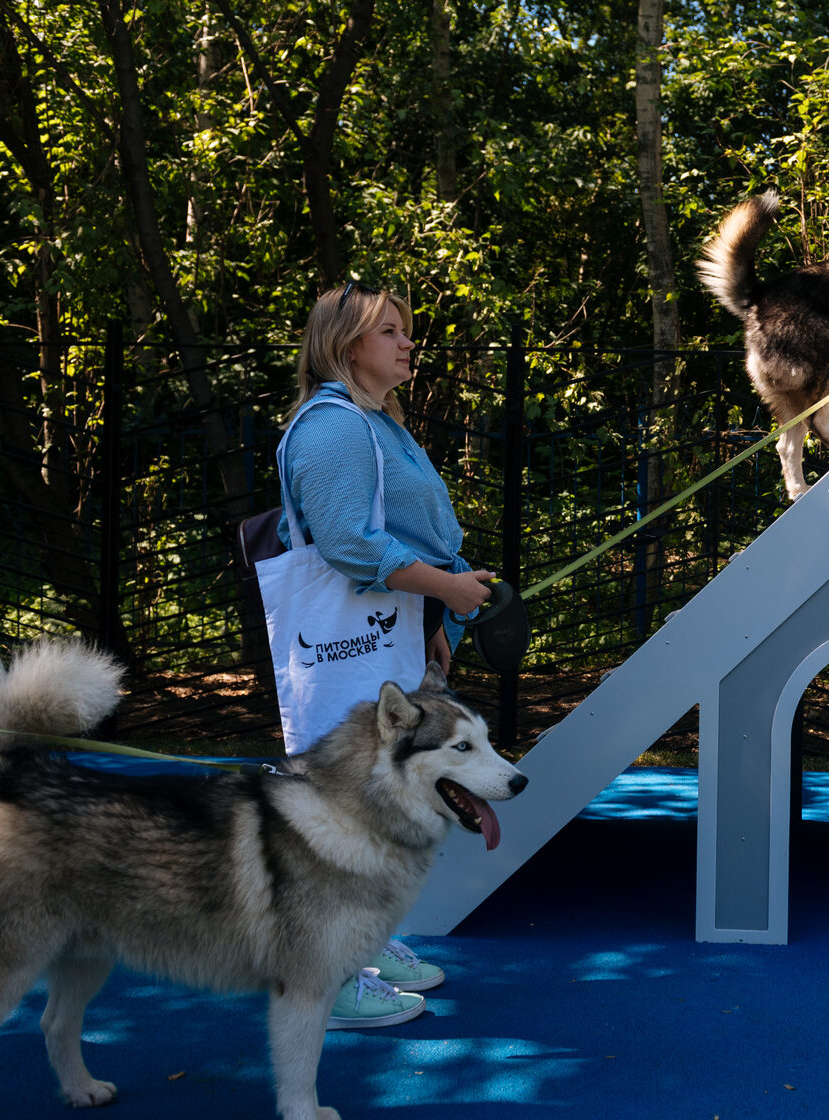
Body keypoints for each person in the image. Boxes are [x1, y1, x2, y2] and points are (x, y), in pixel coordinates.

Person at [277, 281, 496, 1028]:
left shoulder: (375, 422)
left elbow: (392, 541)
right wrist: (450, 588)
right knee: (336, 809)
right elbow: (348, 543)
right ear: (346, 346)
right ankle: (328, 978)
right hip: (350, 640)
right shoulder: (334, 428)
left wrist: (436, 609)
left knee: (365, 804)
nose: (408, 342)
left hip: (386, 630)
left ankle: (362, 945)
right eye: (391, 331)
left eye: (407, 330)